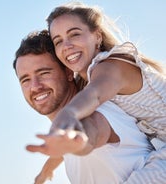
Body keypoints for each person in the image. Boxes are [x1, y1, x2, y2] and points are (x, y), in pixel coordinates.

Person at [44, 2, 166, 183]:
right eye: (58, 41)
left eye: (74, 34)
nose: (66, 45)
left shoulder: (110, 66)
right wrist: (48, 168)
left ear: (97, 36)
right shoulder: (90, 79)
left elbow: (94, 94)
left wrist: (68, 114)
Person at [13, 30, 153, 184]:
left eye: (44, 73)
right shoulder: (64, 137)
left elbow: (91, 132)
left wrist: (77, 141)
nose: (35, 86)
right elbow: (65, 147)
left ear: (68, 72)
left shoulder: (98, 114)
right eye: (25, 80)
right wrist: (46, 171)